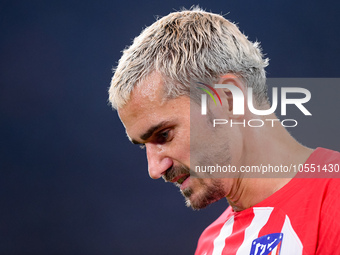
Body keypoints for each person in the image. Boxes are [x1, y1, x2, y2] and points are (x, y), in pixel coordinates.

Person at [108, 7, 340, 255]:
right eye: (144, 145)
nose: (154, 169)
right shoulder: (210, 244)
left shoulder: (333, 197)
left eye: (164, 135)